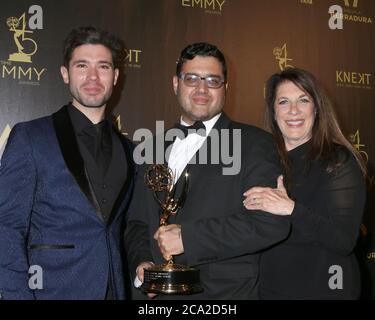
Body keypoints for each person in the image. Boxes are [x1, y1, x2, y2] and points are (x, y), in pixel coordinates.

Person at [124, 42, 290, 300]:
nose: (202, 88)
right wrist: (142, 262)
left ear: (226, 88)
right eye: (191, 78)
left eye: (213, 80)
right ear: (176, 84)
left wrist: (188, 238)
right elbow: (136, 221)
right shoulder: (151, 147)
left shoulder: (254, 144)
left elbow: (269, 224)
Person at [0, 26, 135, 300]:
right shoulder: (31, 137)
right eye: (82, 65)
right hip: (52, 292)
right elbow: (6, 228)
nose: (93, 77)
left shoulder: (130, 149)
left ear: (116, 76)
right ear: (65, 74)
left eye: (104, 66)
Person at [243, 67, 367, 299]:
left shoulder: (338, 160)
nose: (293, 111)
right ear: (273, 111)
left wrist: (290, 208)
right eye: (283, 102)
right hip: (269, 290)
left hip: (324, 289)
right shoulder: (260, 161)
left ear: (317, 108)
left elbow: (343, 240)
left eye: (303, 100)